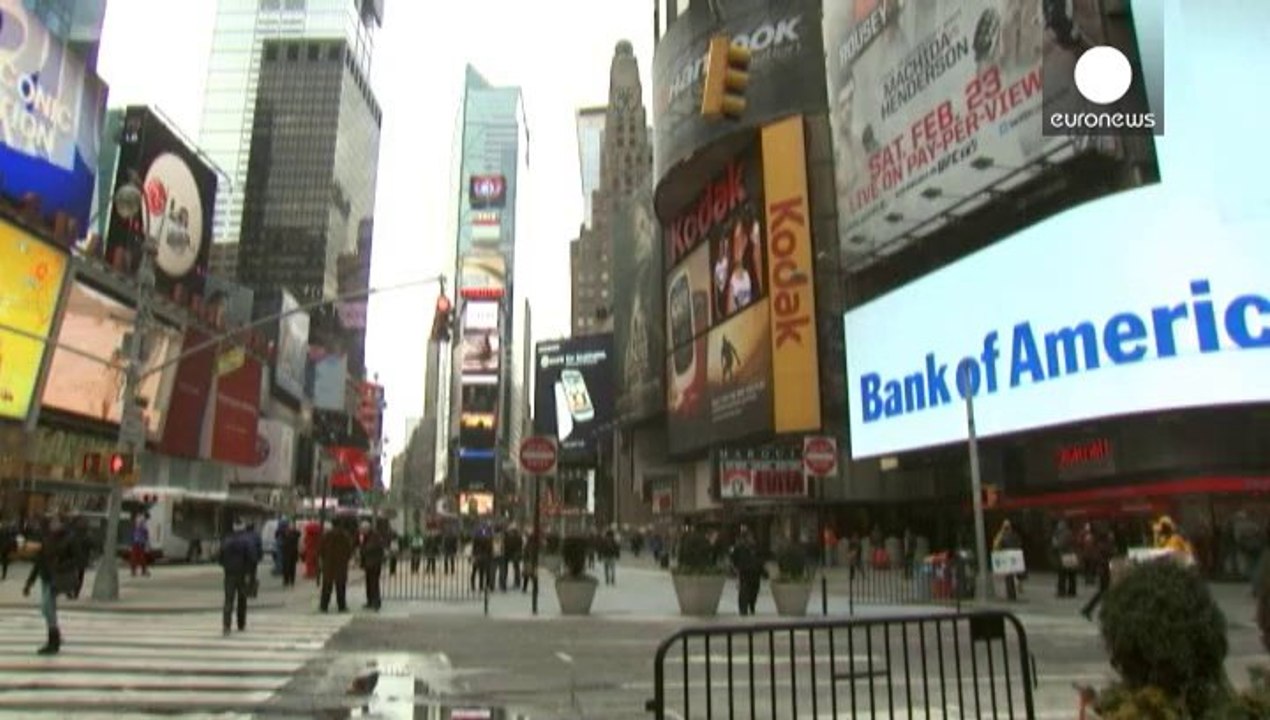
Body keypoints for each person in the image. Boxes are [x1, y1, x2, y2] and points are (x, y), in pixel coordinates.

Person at [23, 514, 76, 654]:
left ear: (62, 524)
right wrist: (29, 583)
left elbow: (77, 559)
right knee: (47, 609)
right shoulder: (46, 538)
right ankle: (55, 637)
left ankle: (54, 641)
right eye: (52, 522)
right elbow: (39, 562)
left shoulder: (68, 538)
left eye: (56, 522)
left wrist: (60, 565)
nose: (53, 525)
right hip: (46, 577)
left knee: (47, 607)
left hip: (57, 577)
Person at [219, 519, 259, 635]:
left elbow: (220, 557)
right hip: (242, 573)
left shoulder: (226, 541)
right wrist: (250, 572)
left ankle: (226, 625)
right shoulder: (246, 541)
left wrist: (226, 566)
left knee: (228, 600)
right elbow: (252, 557)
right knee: (242, 599)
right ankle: (241, 623)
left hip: (229, 574)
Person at [319, 522, 355, 612]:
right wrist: (346, 559)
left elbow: (321, 549)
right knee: (341, 587)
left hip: (329, 564)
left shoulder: (327, 536)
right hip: (341, 565)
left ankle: (324, 606)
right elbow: (349, 549)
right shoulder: (345, 536)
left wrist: (323, 559)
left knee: (327, 586)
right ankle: (341, 606)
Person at [731, 527, 764, 616]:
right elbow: (734, 559)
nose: (750, 538)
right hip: (745, 572)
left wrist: (761, 569)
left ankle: (752, 605)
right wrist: (736, 568)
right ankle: (743, 609)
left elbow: (760, 559)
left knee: (754, 591)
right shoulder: (739, 547)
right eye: (749, 537)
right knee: (744, 591)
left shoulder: (756, 547)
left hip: (755, 573)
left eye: (751, 537)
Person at [993, 520, 1025, 601]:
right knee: (1013, 577)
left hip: (1008, 558)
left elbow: (997, 546)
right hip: (1012, 558)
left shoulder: (1003, 536)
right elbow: (1019, 544)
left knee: (1009, 578)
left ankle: (1011, 594)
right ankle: (1013, 594)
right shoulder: (1013, 536)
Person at [359, 521, 385, 611]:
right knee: (369, 583)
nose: (361, 531)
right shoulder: (367, 536)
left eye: (362, 530)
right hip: (369, 564)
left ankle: (376, 602)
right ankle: (370, 601)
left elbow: (370, 547)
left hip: (374, 563)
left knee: (374, 584)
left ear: (367, 529)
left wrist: (362, 548)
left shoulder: (374, 536)